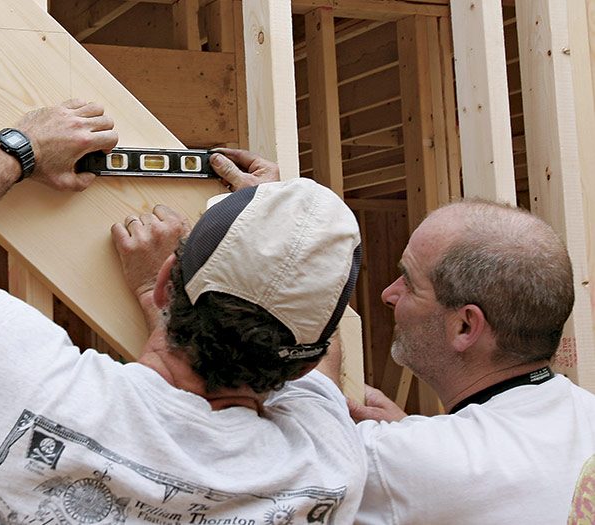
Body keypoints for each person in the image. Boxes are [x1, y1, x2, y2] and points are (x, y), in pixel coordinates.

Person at [0, 101, 367, 524]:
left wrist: (19, 147)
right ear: (303, 365)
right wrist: (281, 233)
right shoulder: (329, 471)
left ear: (166, 285)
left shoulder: (25, 385)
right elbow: (320, 358)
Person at [211, 148, 595, 525]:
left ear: (465, 327)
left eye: (409, 284)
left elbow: (284, 461)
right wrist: (420, 441)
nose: (388, 294)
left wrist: (271, 229)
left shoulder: (420, 464)